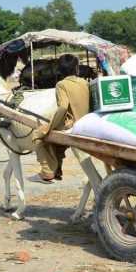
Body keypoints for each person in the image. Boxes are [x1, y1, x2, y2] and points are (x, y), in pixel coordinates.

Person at [32, 54, 90, 183]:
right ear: (77, 69)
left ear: (60, 70)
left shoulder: (61, 84)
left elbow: (63, 108)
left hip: (71, 125)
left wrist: (49, 127)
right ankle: (57, 170)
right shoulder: (85, 82)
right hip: (86, 122)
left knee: (38, 135)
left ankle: (47, 172)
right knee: (55, 141)